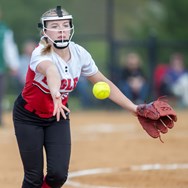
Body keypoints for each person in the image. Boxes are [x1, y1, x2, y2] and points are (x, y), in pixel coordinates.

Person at [12, 6, 140, 188]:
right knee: (33, 177)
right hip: (28, 117)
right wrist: (56, 94)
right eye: (54, 26)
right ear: (44, 30)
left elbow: (103, 82)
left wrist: (134, 108)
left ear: (71, 28)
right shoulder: (40, 53)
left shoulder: (80, 53)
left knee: (58, 175)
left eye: (65, 25)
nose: (61, 29)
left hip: (58, 115)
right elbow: (51, 70)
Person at [0, 8, 20, 126]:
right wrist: (13, 65)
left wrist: (13, 65)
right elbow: (9, 49)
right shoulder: (4, 30)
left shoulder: (4, 30)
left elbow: (8, 48)